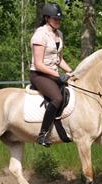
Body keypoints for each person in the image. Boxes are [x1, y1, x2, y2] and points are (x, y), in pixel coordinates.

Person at [30, 2, 73, 147]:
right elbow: (38, 64)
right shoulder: (40, 34)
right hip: (39, 75)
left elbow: (59, 59)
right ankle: (42, 134)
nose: (58, 21)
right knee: (57, 97)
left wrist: (72, 72)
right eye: (56, 19)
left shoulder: (59, 34)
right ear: (47, 18)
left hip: (53, 73)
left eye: (59, 19)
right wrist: (57, 75)